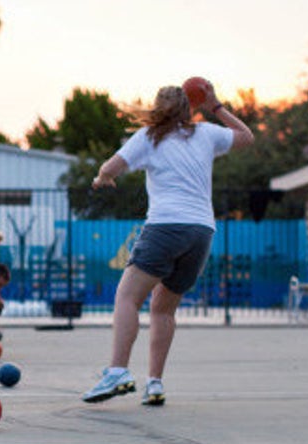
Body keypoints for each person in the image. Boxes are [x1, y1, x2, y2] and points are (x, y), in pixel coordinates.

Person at [81, 80, 253, 406]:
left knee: (127, 297)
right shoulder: (206, 134)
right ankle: (155, 383)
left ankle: (118, 371)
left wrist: (103, 178)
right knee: (163, 309)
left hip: (165, 226)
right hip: (201, 232)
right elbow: (247, 136)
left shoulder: (147, 138)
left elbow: (109, 166)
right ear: (191, 108)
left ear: (158, 108)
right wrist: (216, 106)